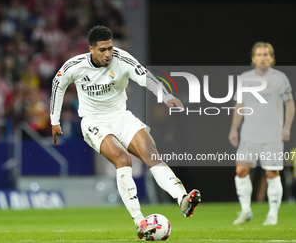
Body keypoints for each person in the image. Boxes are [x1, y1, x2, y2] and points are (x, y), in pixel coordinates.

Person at [50, 25, 201, 239]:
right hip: (94, 121)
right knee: (123, 160)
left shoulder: (123, 60)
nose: (108, 54)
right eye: (102, 50)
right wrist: (54, 120)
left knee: (152, 156)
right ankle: (140, 222)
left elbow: (146, 78)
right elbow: (58, 84)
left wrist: (167, 97)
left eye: (110, 48)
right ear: (91, 49)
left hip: (121, 117)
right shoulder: (75, 66)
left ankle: (183, 199)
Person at [229, 42, 295, 225]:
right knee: (241, 170)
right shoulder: (244, 78)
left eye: (266, 54)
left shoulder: (280, 79)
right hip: (249, 134)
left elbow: (289, 104)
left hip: (272, 135)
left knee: (271, 174)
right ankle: (245, 210)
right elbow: (239, 106)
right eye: (259, 54)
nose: (262, 57)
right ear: (253, 58)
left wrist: (287, 127)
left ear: (272, 58)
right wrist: (234, 129)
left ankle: (273, 214)